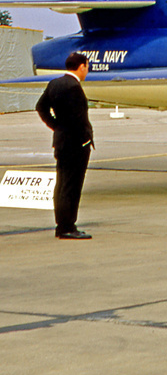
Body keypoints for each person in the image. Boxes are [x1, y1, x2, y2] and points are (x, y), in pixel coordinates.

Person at [36, 52, 94, 239]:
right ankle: (67, 226)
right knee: (72, 185)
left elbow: (41, 107)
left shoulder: (55, 83)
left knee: (62, 184)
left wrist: (56, 126)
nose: (87, 70)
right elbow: (77, 118)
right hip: (75, 143)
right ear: (81, 66)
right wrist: (84, 138)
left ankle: (62, 224)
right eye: (87, 66)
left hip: (61, 141)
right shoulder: (73, 87)